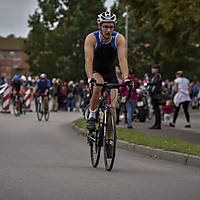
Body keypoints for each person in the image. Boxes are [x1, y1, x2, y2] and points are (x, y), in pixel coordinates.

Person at [84, 11, 132, 157]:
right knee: (97, 85)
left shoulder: (119, 38)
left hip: (110, 73)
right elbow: (89, 61)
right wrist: (89, 78)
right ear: (99, 26)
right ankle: (92, 115)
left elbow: (122, 59)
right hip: (96, 71)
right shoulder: (91, 38)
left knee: (112, 107)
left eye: (111, 27)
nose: (108, 30)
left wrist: (125, 78)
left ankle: (109, 140)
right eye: (105, 26)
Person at [147, 64, 162, 129]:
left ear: (156, 69)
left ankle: (158, 124)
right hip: (153, 94)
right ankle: (156, 124)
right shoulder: (155, 76)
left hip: (156, 94)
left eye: (153, 68)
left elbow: (156, 82)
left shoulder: (158, 75)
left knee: (157, 110)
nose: (152, 70)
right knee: (155, 110)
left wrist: (148, 83)